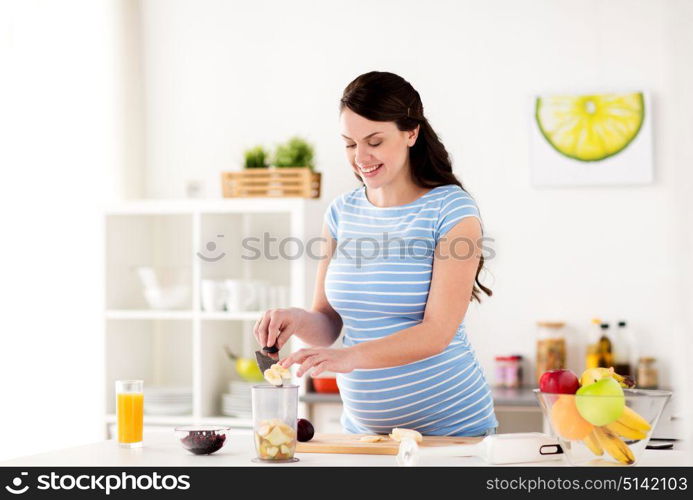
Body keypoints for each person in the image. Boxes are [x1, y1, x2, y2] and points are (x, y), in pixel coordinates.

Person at [254, 71, 498, 436]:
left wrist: (350, 357)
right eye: (350, 144)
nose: (361, 157)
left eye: (374, 141)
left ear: (411, 133)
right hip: (365, 435)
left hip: (453, 431)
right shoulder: (341, 212)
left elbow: (437, 332)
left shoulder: (451, 211)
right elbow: (327, 323)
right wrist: (296, 320)